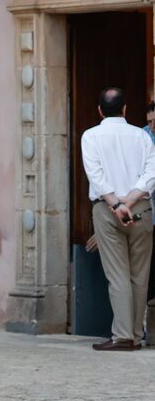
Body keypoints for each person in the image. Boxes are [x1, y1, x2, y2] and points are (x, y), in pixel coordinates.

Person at [81, 87, 155, 351]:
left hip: (107, 209)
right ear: (125, 109)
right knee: (139, 274)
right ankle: (135, 334)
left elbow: (96, 174)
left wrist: (116, 204)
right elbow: (151, 173)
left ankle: (122, 335)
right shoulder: (142, 137)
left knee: (118, 274)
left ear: (100, 110)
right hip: (141, 207)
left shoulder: (90, 136)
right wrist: (130, 202)